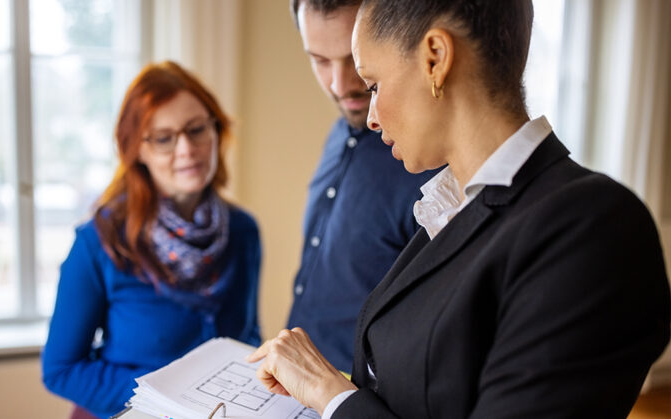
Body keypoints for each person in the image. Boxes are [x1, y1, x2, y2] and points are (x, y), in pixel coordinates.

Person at [248, 0, 671, 417]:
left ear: (435, 57)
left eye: (373, 84)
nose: (371, 116)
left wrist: (330, 394)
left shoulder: (593, 228)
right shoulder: (447, 210)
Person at [42, 61, 261, 419]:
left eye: (196, 129)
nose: (187, 149)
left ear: (216, 130)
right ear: (137, 149)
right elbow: (61, 369)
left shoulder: (243, 230)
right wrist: (171, 401)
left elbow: (247, 336)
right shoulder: (98, 241)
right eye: (164, 138)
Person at [286, 0, 438, 374]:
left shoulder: (428, 163)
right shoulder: (339, 135)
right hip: (295, 386)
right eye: (320, 60)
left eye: (353, 57)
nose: (341, 85)